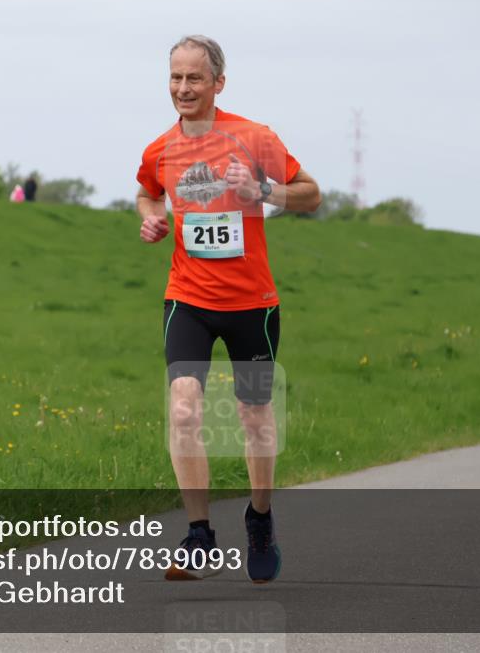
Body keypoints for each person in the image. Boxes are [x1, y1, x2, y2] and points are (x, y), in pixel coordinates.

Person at [135, 35, 320, 582]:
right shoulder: (161, 149)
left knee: (254, 417)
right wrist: (151, 218)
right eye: (175, 77)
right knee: (185, 408)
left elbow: (310, 193)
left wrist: (266, 188)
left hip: (252, 305)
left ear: (219, 82)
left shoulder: (254, 137)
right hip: (187, 298)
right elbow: (148, 191)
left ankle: (259, 517)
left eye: (194, 78)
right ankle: (199, 537)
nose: (183, 88)